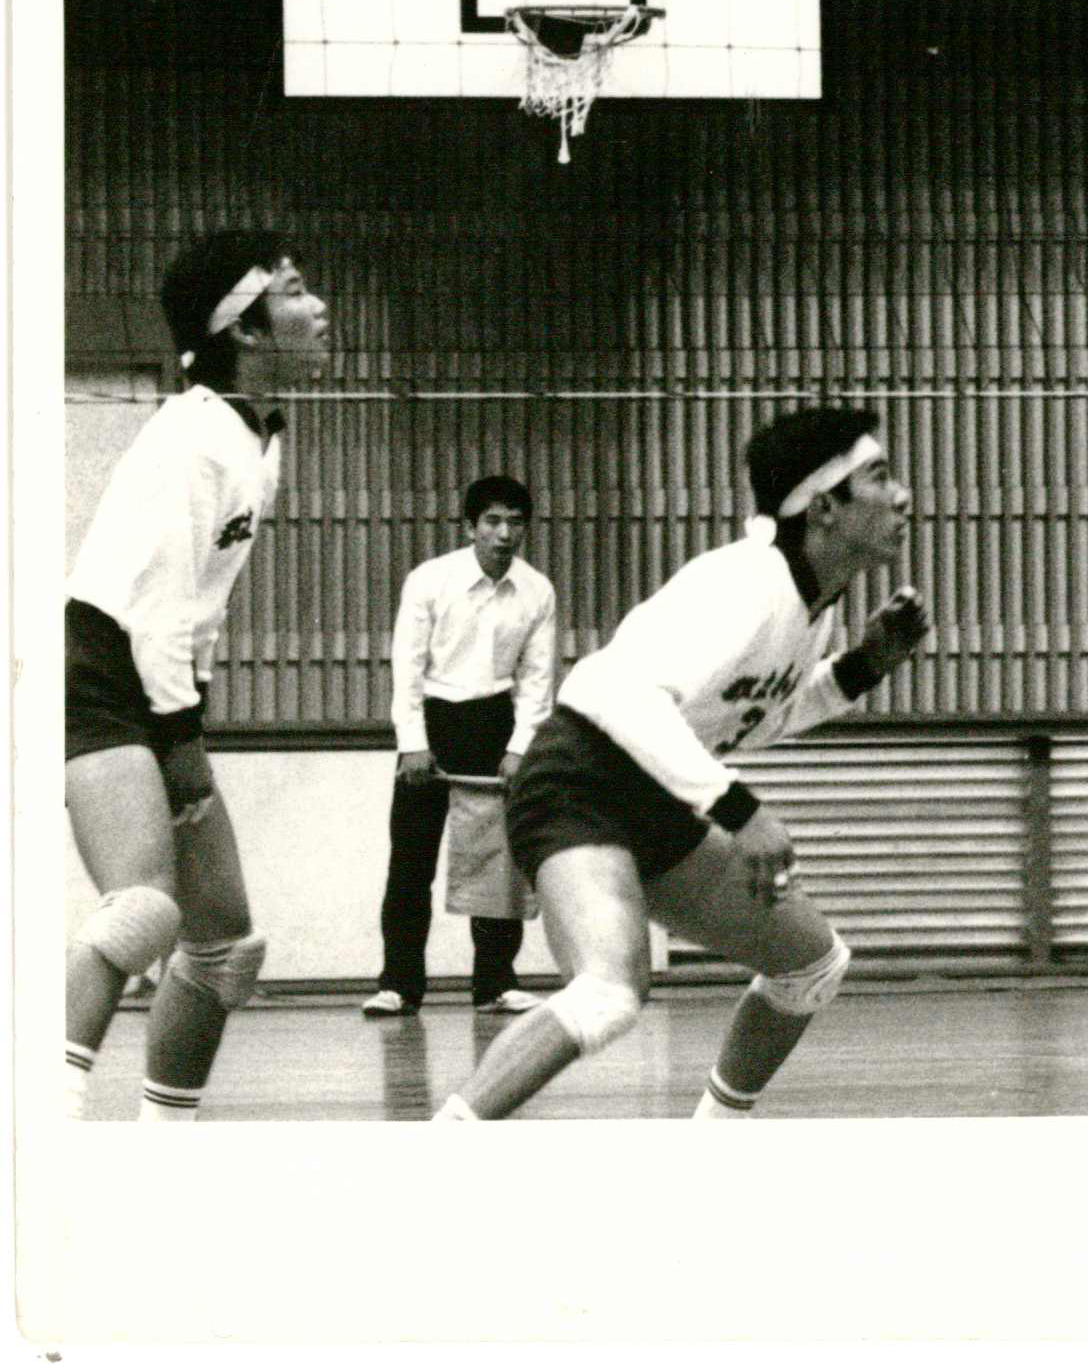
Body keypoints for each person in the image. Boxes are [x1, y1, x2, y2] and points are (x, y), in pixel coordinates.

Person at [435, 408, 928, 1119]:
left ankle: (712, 1140)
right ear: (824, 507)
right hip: (579, 778)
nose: (902, 494)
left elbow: (750, 719)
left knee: (812, 965)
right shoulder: (747, 582)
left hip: (656, 795)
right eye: (880, 477)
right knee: (609, 994)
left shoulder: (810, 604)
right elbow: (621, 695)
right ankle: (440, 1145)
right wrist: (740, 811)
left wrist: (859, 670)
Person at [64, 234, 332, 1118]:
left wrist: (188, 721)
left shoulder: (259, 438)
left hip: (161, 682)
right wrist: (182, 744)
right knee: (143, 910)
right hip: (98, 671)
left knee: (225, 953)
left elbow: (200, 611)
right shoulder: (192, 437)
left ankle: (162, 1140)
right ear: (245, 328)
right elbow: (157, 612)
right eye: (296, 291)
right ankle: (40, 1114)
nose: (318, 307)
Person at [367, 475, 557, 1017]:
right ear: (471, 527)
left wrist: (520, 746)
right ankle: (399, 984)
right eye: (492, 521)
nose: (504, 533)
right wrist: (412, 742)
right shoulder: (430, 580)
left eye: (515, 522)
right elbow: (407, 667)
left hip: (496, 720)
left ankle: (495, 983)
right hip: (434, 717)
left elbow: (537, 679)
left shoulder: (537, 590)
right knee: (411, 860)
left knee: (498, 862)